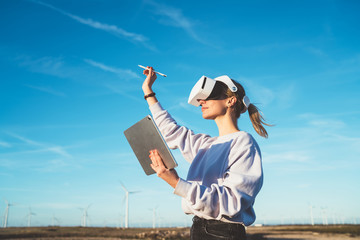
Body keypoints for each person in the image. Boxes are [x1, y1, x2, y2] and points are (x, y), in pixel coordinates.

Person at [142, 66, 271, 240]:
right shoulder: (205, 144)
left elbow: (231, 202)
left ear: (230, 100)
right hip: (198, 228)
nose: (202, 101)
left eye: (209, 96)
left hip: (224, 232)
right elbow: (171, 130)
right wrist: (148, 92)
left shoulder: (243, 142)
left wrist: (176, 182)